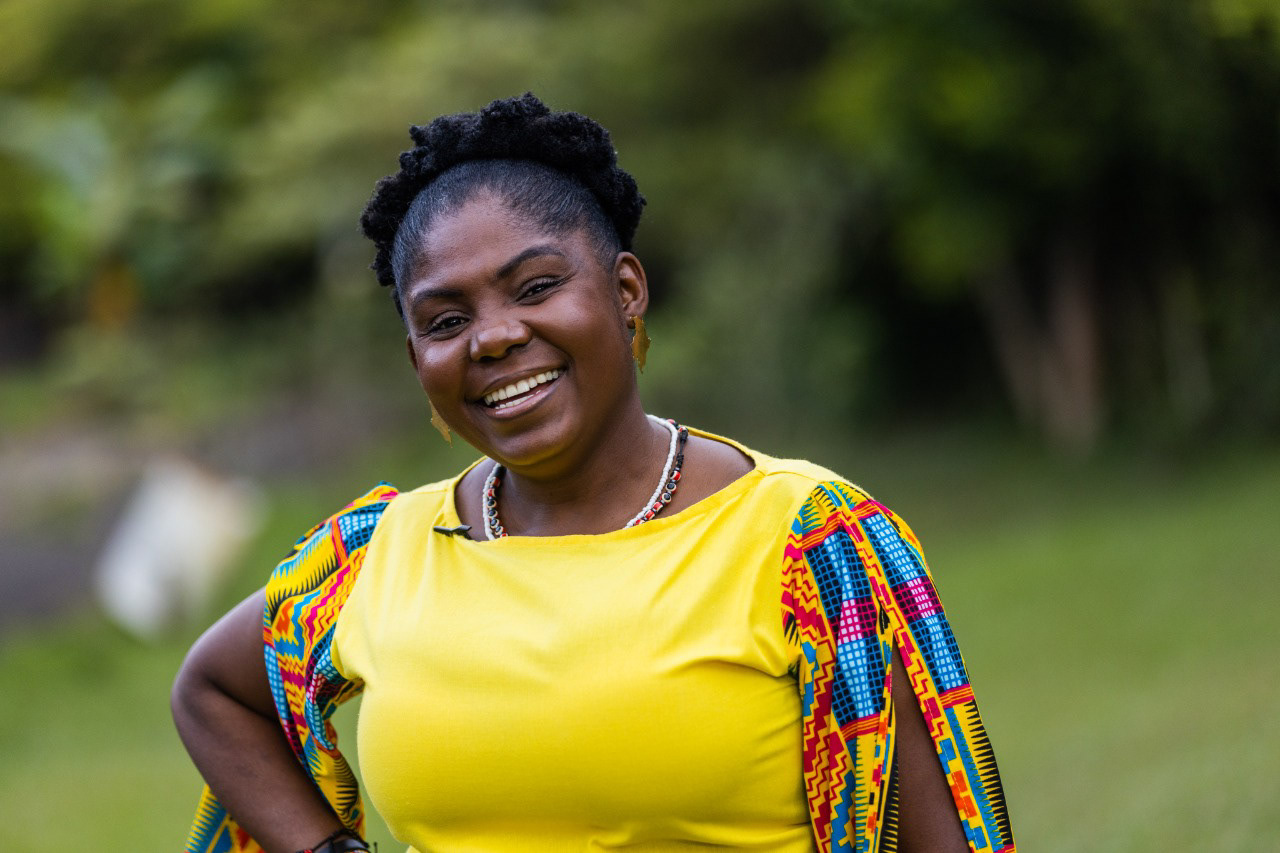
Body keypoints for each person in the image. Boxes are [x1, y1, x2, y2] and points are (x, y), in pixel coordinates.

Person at [173, 93, 1015, 853]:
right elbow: (214, 691)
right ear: (417, 357)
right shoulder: (375, 555)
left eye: (536, 286)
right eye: (446, 320)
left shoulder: (811, 542)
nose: (493, 337)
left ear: (627, 289)